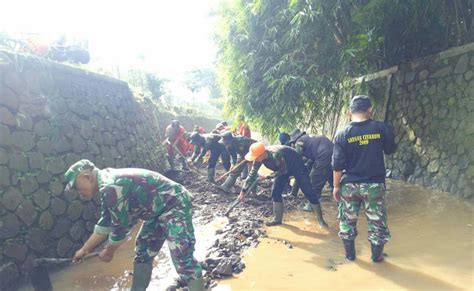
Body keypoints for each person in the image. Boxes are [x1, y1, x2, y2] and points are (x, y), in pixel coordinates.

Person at [66, 160, 204, 291]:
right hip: (155, 212)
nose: (79, 192)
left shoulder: (111, 186)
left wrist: (109, 251)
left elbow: (120, 227)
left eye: (77, 187)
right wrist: (84, 250)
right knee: (143, 252)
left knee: (182, 257)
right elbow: (106, 221)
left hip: (174, 204)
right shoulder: (106, 185)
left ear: (87, 177)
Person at [332, 95, 396, 262]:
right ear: (370, 110)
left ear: (349, 113)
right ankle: (377, 259)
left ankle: (350, 257)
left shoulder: (342, 134)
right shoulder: (381, 128)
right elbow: (390, 149)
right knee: (377, 224)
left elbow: (337, 165)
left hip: (349, 185)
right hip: (374, 184)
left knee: (347, 222)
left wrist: (336, 187)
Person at [238, 143, 328, 227]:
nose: (255, 159)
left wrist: (267, 176)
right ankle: (277, 219)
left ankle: (321, 221)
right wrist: (243, 192)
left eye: (256, 157)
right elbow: (251, 175)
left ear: (263, 154)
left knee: (308, 191)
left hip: (297, 166)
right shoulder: (258, 159)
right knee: (275, 192)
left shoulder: (276, 154)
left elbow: (282, 170)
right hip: (282, 169)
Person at [292, 134, 334, 212]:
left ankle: (311, 205)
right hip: (333, 153)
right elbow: (311, 157)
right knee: (329, 174)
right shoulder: (308, 139)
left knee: (314, 181)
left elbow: (297, 156)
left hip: (323, 155)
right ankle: (338, 198)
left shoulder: (299, 142)